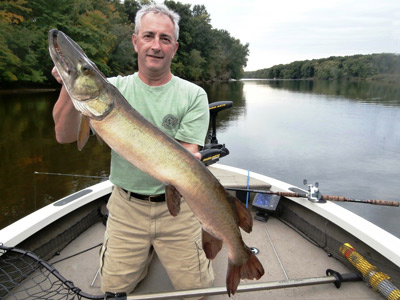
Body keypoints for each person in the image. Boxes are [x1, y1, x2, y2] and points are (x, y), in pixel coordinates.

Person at [51, 4, 214, 298]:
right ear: (135, 41)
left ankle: (158, 250)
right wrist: (68, 82)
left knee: (197, 290)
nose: (156, 45)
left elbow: (188, 155)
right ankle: (145, 254)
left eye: (165, 39)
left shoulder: (193, 95)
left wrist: (191, 163)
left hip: (176, 209)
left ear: (174, 48)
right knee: (113, 290)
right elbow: (63, 136)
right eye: (148, 36)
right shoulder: (109, 89)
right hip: (126, 207)